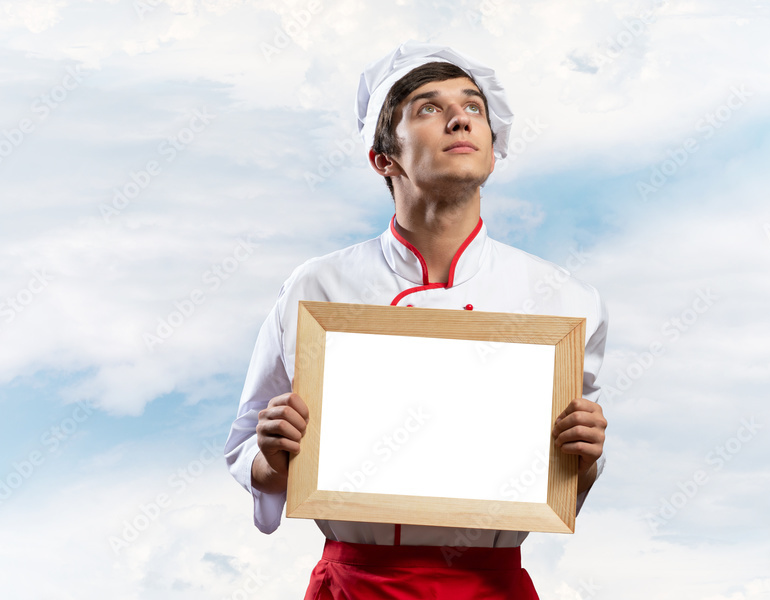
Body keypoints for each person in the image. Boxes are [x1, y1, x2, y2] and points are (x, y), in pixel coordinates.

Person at [224, 41, 609, 599]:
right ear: (385, 158)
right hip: (356, 585)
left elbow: (562, 486)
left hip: (490, 587)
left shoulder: (563, 302)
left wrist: (586, 457)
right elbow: (246, 452)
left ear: (493, 152)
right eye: (428, 107)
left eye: (473, 107)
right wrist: (273, 457)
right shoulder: (317, 287)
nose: (460, 118)